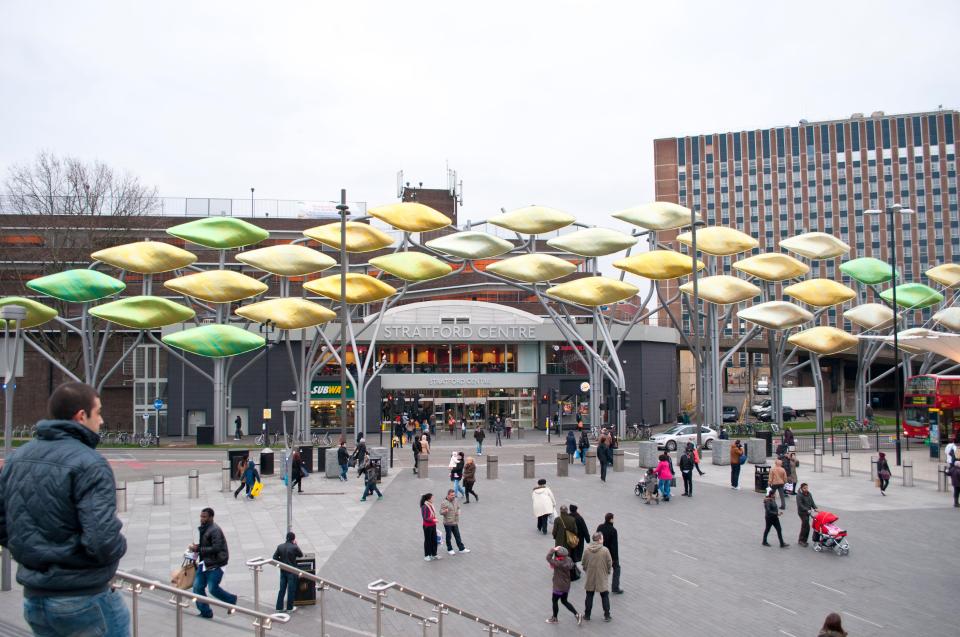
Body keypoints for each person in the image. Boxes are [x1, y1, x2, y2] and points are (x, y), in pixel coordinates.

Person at [0, 382, 129, 636]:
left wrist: (30, 552)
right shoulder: (90, 464)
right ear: (82, 415)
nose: (101, 420)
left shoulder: (17, 458)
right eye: (99, 412)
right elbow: (101, 540)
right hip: (84, 599)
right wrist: (119, 546)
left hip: (35, 598)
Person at [191, 507, 238, 618]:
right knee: (197, 587)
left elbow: (216, 548)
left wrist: (199, 549)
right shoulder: (205, 528)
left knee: (213, 588)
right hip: (205, 563)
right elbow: (207, 545)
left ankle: (231, 599)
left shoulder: (215, 530)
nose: (201, 519)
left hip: (216, 564)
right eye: (201, 516)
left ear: (211, 517)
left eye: (204, 517)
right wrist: (197, 547)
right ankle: (205, 612)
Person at [545, 546, 581, 625]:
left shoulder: (558, 563)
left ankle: (554, 618)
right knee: (564, 601)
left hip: (558, 586)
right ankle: (577, 614)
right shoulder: (569, 559)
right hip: (566, 585)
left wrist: (553, 550)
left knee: (554, 601)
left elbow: (548, 558)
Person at [581, 532, 613, 622]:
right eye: (602, 538)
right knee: (604, 595)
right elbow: (609, 563)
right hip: (601, 576)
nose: (603, 539)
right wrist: (608, 571)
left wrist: (586, 570)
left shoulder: (587, 550)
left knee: (589, 595)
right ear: (599, 540)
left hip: (590, 576)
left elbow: (583, 562)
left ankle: (587, 615)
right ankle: (607, 615)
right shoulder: (605, 550)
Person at [272, 531, 302, 613]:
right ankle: (289, 608)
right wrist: (296, 545)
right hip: (292, 571)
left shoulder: (280, 546)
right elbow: (300, 555)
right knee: (291, 590)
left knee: (282, 589)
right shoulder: (294, 547)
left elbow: (274, 557)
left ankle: (279, 607)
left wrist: (281, 562)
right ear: (293, 539)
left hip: (283, 570)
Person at [596, 513, 622, 594]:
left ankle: (602, 587)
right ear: (611, 519)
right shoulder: (613, 530)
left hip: (600, 552)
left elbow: (596, 539)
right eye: (613, 518)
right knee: (617, 568)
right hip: (610, 554)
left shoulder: (600, 527)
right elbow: (614, 545)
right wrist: (615, 558)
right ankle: (615, 587)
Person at [439, 489, 470, 555]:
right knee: (449, 536)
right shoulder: (444, 502)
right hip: (448, 523)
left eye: (454, 495)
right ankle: (449, 549)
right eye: (452, 495)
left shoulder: (455, 500)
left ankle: (461, 548)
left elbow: (458, 508)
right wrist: (445, 511)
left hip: (455, 522)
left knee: (457, 536)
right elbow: (440, 512)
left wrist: (459, 512)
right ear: (448, 495)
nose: (453, 496)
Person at [420, 493, 440, 561]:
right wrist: (434, 519)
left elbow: (432, 514)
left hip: (433, 525)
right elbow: (425, 518)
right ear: (428, 499)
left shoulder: (431, 505)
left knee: (434, 540)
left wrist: (434, 520)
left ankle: (434, 554)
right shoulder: (424, 506)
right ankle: (427, 555)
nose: (433, 499)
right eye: (432, 498)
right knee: (428, 541)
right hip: (427, 526)